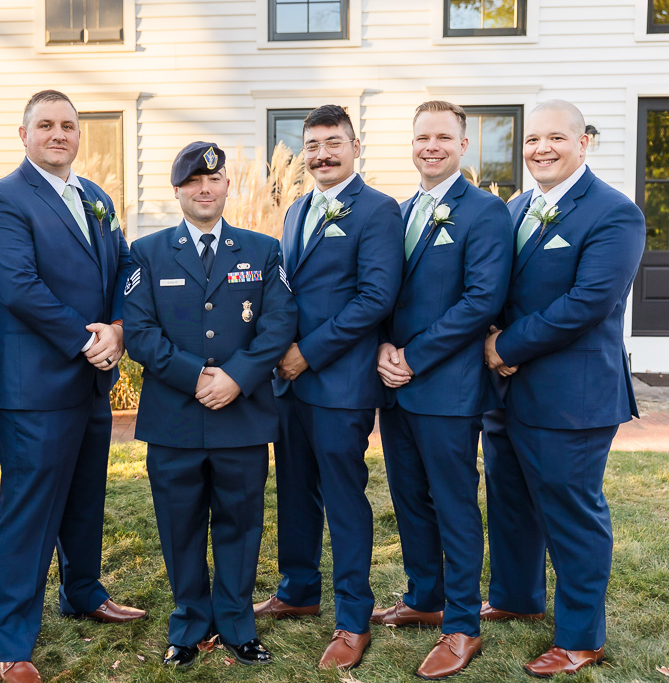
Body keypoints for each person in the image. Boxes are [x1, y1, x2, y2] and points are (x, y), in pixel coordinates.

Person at [0, 90, 142, 683]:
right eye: (45, 125)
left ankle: (84, 592)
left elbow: (125, 268)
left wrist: (119, 328)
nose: (58, 134)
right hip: (35, 384)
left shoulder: (96, 197)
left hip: (93, 376)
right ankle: (11, 640)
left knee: (85, 496)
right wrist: (85, 339)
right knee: (30, 510)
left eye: (68, 125)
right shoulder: (0, 201)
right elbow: (18, 286)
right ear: (23, 135)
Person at [481, 99, 645, 677]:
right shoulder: (519, 206)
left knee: (572, 513)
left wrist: (504, 346)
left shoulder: (613, 213)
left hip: (571, 396)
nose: (541, 148)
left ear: (583, 142)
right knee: (509, 501)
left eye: (556, 137)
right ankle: (515, 596)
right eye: (531, 140)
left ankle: (580, 636)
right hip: (506, 393)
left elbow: (587, 304)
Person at [123, 141, 297, 669]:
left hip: (240, 416)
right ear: (177, 190)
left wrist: (238, 378)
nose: (205, 188)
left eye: (214, 181)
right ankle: (189, 623)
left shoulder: (263, 250)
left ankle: (238, 623)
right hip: (174, 417)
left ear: (226, 187)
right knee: (180, 525)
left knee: (241, 524)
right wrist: (195, 375)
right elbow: (139, 331)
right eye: (193, 181)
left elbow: (279, 324)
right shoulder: (146, 253)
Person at [254, 104, 403, 670]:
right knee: (293, 490)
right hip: (289, 383)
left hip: (339, 384)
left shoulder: (378, 210)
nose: (321, 154)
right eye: (312, 144)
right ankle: (297, 590)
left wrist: (306, 355)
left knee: (343, 499)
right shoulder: (295, 210)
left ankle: (352, 618)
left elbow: (374, 299)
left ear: (355, 145)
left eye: (333, 142)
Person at [371, 100, 513, 679]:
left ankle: (461, 625)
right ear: (412, 144)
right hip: (395, 385)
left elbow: (481, 300)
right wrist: (383, 346)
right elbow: (381, 291)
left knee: (454, 505)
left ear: (462, 146)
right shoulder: (400, 211)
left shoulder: (484, 212)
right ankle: (424, 596)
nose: (431, 146)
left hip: (447, 386)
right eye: (421, 137)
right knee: (408, 497)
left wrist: (414, 355)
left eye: (443, 138)